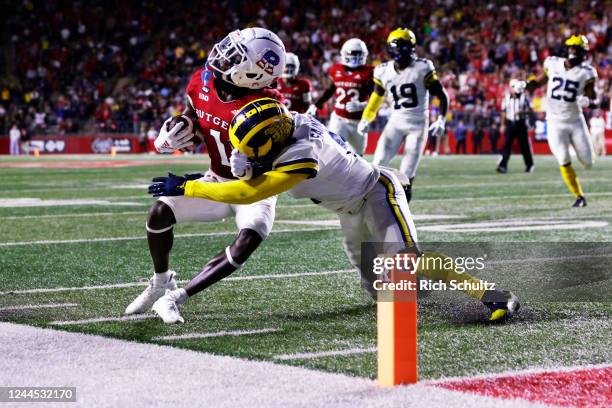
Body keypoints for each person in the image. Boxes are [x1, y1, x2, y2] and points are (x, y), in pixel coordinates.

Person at [146, 98, 520, 324]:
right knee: (380, 287)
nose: (242, 153)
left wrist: (189, 186)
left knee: (407, 259)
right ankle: (412, 296)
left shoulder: (301, 155)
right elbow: (249, 158)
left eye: (250, 147)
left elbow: (247, 192)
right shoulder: (283, 124)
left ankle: (494, 294)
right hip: (346, 208)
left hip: (375, 193)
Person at [124, 27, 286, 317]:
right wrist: (179, 130)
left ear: (253, 73)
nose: (223, 55)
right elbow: (196, 120)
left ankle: (177, 297)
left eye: (235, 55)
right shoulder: (203, 80)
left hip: (255, 188)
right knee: (159, 213)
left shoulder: (268, 107)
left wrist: (252, 166)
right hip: (216, 180)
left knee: (249, 238)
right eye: (229, 48)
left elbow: (277, 158)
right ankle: (161, 282)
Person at [358, 28, 449, 202]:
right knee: (377, 165)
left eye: (403, 46)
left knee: (407, 175)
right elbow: (376, 98)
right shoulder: (383, 71)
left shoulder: (423, 67)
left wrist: (442, 119)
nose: (400, 51)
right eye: (397, 47)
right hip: (396, 121)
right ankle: (371, 206)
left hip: (418, 124)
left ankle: (401, 216)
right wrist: (366, 118)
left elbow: (442, 95)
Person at [526, 34, 599, 207]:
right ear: (568, 49)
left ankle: (585, 156)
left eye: (579, 49)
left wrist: (589, 102)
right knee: (563, 158)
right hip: (554, 122)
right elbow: (537, 83)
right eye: (573, 48)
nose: (575, 52)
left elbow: (594, 100)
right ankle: (579, 196)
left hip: (575, 121)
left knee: (588, 163)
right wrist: (525, 84)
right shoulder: (552, 63)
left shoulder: (587, 73)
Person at [307, 38, 374, 155]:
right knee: (333, 149)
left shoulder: (369, 72)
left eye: (358, 54)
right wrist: (317, 104)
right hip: (339, 119)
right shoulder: (336, 69)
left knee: (358, 154)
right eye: (352, 53)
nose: (354, 57)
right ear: (344, 54)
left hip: (358, 121)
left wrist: (363, 105)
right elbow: (330, 90)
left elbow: (375, 98)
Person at [496, 79, 534, 173]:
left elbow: (530, 110)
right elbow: (504, 112)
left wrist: (522, 112)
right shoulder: (506, 98)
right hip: (510, 124)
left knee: (524, 146)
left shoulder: (524, 97)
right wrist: (502, 125)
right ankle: (503, 166)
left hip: (521, 124)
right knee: (507, 145)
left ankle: (529, 165)